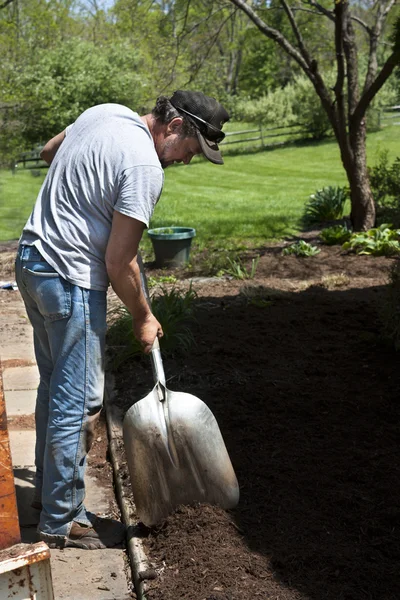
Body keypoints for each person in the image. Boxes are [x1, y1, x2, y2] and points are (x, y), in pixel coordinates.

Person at [15, 90, 229, 550]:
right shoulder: (145, 167)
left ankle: (46, 499)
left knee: (53, 384)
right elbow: (119, 261)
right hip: (70, 277)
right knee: (80, 400)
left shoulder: (106, 112)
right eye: (190, 151)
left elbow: (50, 151)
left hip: (32, 260)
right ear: (175, 127)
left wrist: (83, 192)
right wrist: (143, 317)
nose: (187, 162)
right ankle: (62, 519)